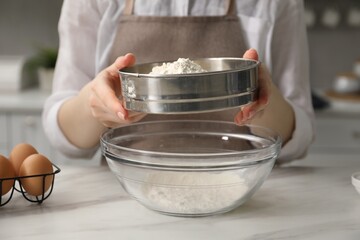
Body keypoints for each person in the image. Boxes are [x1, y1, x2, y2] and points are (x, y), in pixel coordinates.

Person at [42, 0, 315, 164]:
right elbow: (63, 134)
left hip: (240, 191)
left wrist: (264, 104)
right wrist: (98, 104)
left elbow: (299, 136)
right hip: (126, 199)